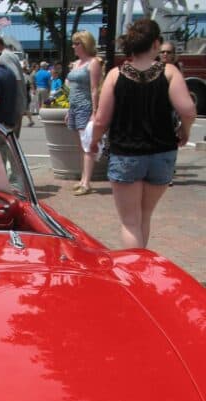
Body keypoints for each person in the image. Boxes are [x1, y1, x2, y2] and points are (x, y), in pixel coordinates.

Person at [91, 18, 196, 248]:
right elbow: (188, 110)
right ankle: (141, 266)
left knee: (130, 222)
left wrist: (94, 141)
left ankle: (134, 274)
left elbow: (101, 120)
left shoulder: (115, 75)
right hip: (162, 152)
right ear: (156, 44)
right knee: (144, 216)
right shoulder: (169, 72)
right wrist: (184, 131)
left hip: (126, 153)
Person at [66, 31, 102, 196]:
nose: (74, 46)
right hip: (74, 107)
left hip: (85, 107)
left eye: (77, 43)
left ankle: (86, 183)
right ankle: (83, 179)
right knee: (81, 146)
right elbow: (71, 89)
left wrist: (95, 112)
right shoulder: (76, 64)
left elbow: (95, 89)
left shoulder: (93, 63)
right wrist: (68, 109)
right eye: (74, 43)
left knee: (87, 145)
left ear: (85, 44)